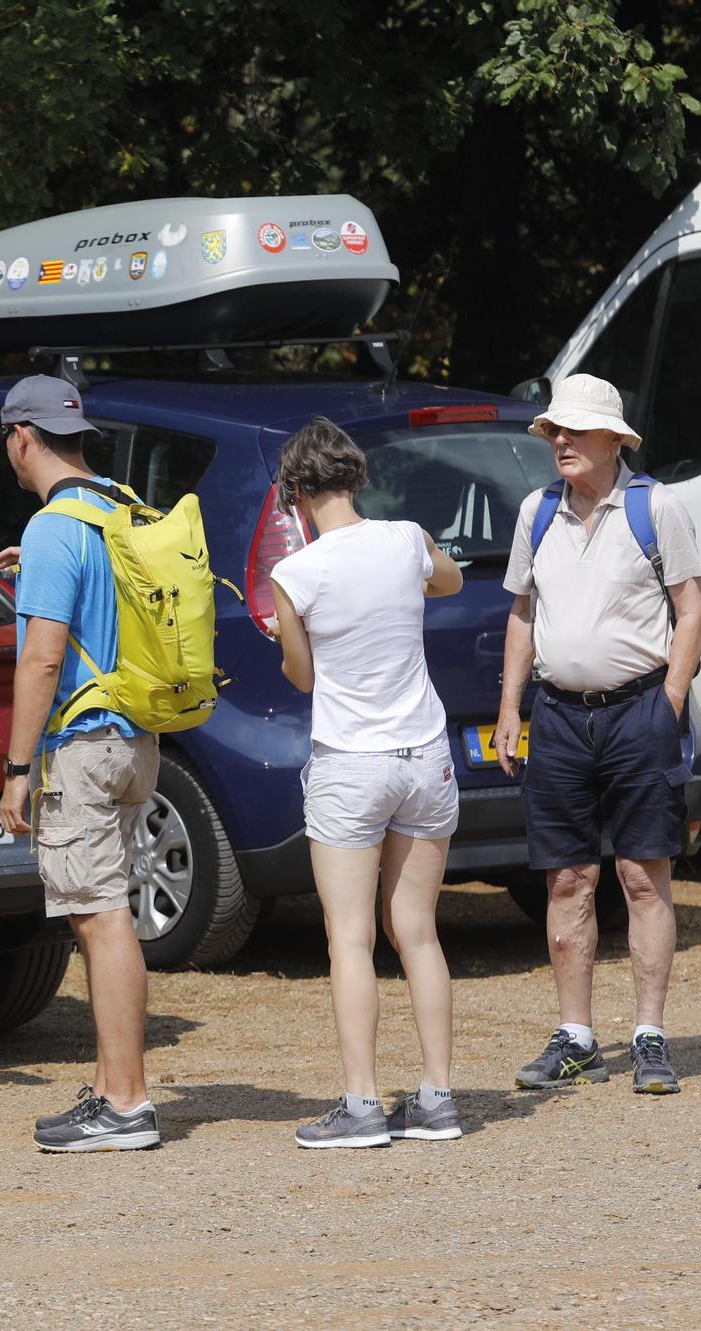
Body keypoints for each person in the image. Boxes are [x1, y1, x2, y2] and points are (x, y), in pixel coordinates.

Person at [495, 373, 701, 1095]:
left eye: (574, 431)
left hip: (638, 711)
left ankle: (648, 1034)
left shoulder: (657, 508)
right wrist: (509, 708)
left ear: (615, 441)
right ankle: (578, 1035)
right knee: (566, 876)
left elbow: (694, 607)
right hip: (557, 716)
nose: (560, 441)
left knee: (642, 877)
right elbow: (523, 613)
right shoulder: (537, 512)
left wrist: (669, 701)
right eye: (555, 430)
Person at [265, 419, 468, 1148]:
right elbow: (450, 579)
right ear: (355, 478)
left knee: (349, 938)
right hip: (423, 754)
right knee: (416, 930)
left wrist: (291, 632)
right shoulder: (406, 538)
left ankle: (361, 1104)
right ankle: (439, 1095)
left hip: (351, 763)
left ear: (295, 495)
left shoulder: (296, 574)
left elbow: (302, 675)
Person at [0, 374, 160, 1153]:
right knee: (107, 909)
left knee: (100, 919)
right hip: (138, 741)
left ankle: (126, 1104)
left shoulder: (52, 527)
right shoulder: (117, 505)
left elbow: (42, 658)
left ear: (23, 437)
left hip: (83, 746)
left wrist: (17, 765)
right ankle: (108, 1088)